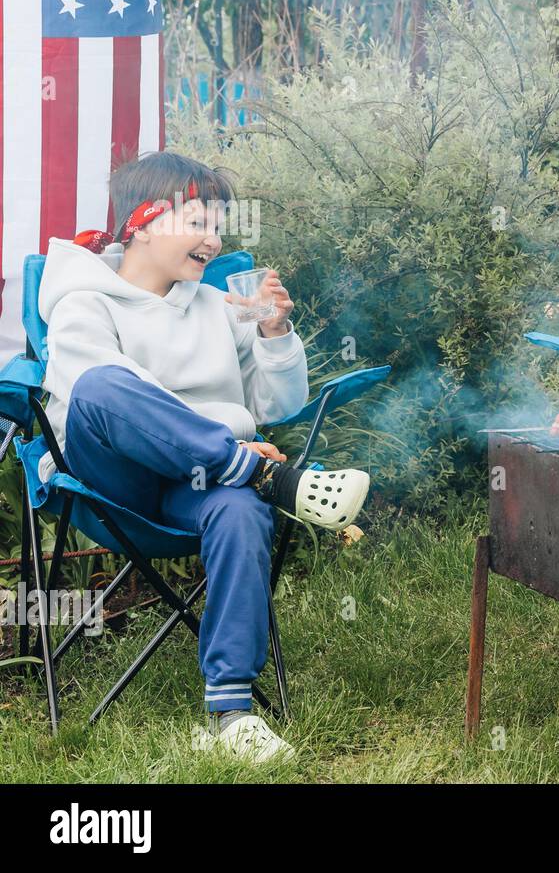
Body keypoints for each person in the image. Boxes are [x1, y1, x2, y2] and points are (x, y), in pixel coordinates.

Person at [40, 151, 371, 763]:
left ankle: (232, 712)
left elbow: (281, 401)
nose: (213, 239)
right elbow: (96, 405)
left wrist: (273, 333)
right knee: (104, 386)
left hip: (200, 480)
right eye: (198, 221)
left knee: (241, 512)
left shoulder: (219, 307)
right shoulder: (83, 303)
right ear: (142, 225)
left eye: (219, 224)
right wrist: (233, 449)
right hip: (117, 485)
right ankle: (266, 476)